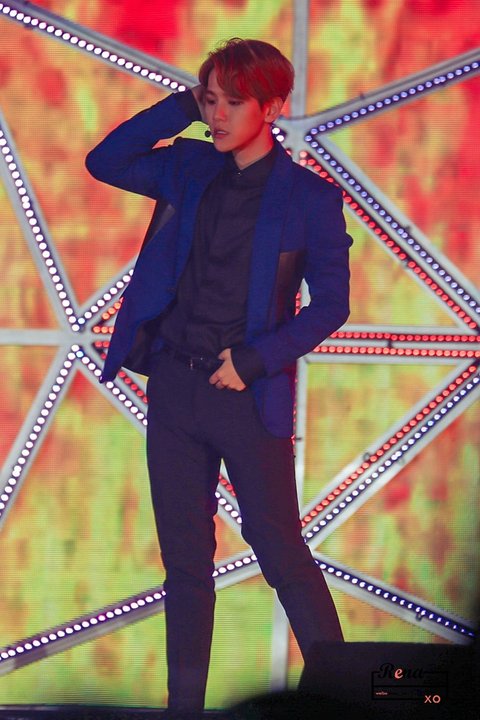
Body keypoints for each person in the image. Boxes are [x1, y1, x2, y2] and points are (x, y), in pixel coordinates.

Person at [86, 38, 352, 720]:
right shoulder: (189, 167)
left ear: (274, 107)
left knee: (281, 551)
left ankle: (346, 699)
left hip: (247, 395)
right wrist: (184, 102)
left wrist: (255, 361)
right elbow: (104, 161)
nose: (220, 114)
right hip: (175, 388)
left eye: (235, 101)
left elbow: (332, 305)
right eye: (212, 100)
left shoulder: (310, 198)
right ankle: (185, 710)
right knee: (184, 564)